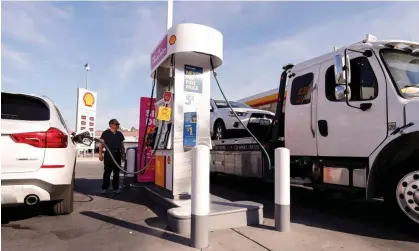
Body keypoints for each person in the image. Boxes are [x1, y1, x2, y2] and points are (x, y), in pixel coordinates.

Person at [99, 119, 125, 194]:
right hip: (108, 154)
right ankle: (105, 188)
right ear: (111, 125)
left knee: (116, 172)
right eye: (116, 124)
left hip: (117, 154)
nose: (117, 126)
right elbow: (101, 144)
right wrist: (100, 154)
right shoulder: (105, 133)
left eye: (118, 124)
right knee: (107, 172)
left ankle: (115, 188)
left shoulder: (120, 134)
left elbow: (122, 145)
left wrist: (123, 154)